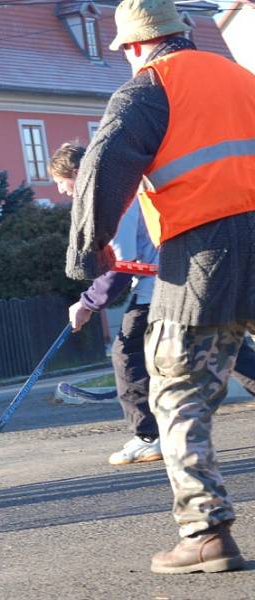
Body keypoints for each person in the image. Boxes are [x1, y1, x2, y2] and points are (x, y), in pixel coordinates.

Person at [65, 0, 255, 574]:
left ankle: (205, 532)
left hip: (204, 255)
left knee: (177, 394)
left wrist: (87, 253)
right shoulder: (242, 78)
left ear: (131, 46)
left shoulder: (149, 87)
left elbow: (103, 167)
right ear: (185, 31)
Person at [51, 144, 255, 466]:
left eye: (62, 183)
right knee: (224, 346)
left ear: (78, 173)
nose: (62, 192)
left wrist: (87, 303)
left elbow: (123, 262)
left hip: (164, 286)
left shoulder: (113, 198)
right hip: (199, 275)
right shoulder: (131, 185)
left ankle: (149, 437)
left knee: (127, 352)